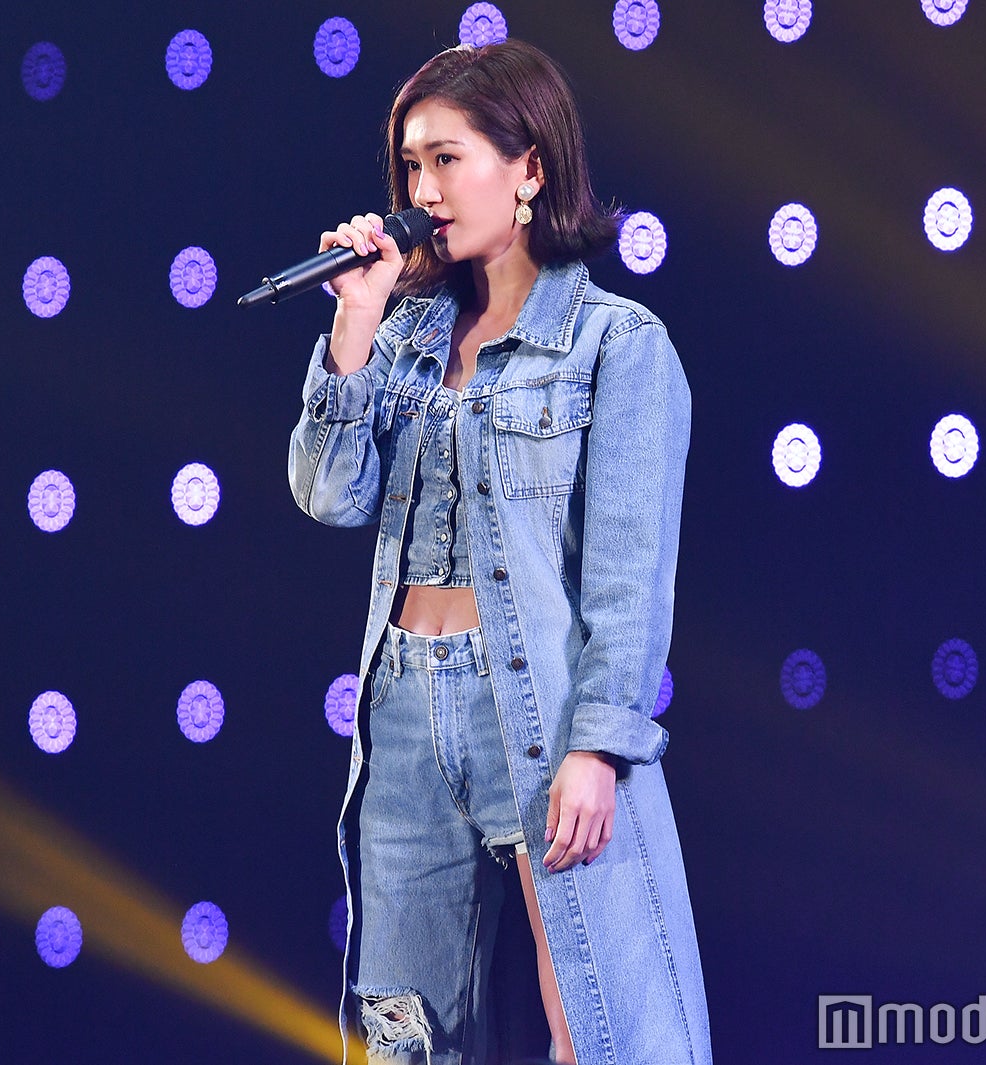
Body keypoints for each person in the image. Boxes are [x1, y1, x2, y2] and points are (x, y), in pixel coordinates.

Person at [287, 39, 711, 1065]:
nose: (422, 191)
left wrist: (597, 746)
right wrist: (355, 321)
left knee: (596, 1025)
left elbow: (628, 578)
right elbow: (328, 494)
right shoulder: (402, 337)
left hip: (536, 710)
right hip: (401, 709)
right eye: (409, 166)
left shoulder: (617, 344)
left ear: (529, 169)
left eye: (447, 159)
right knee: (406, 1036)